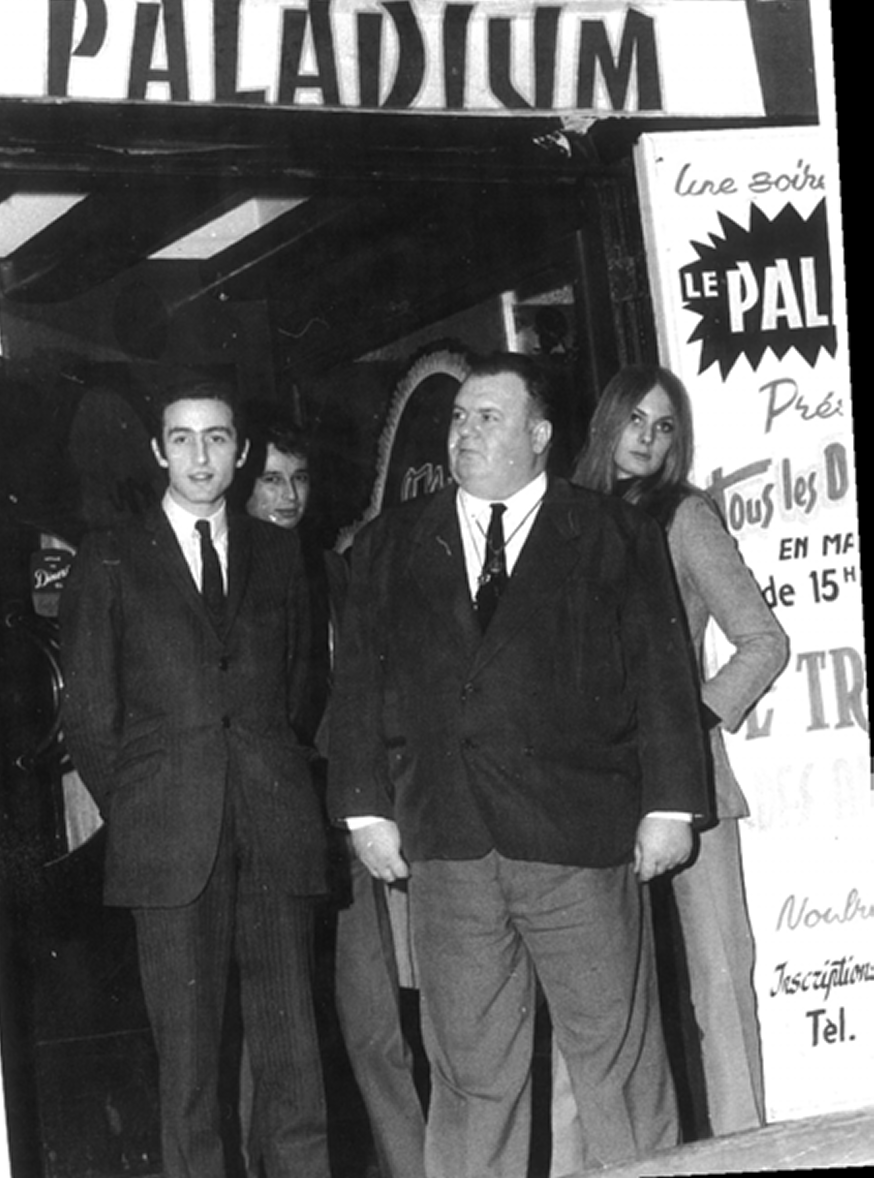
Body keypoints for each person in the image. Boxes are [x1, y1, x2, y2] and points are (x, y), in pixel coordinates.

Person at [327, 351, 711, 1178]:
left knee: (619, 1067)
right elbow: (355, 686)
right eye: (458, 418)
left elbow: (661, 675)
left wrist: (671, 806)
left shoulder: (614, 533)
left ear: (539, 434)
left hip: (580, 841)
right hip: (448, 845)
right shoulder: (390, 544)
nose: (463, 433)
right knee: (470, 1078)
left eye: (487, 418)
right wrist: (364, 809)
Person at [58, 378, 331, 1178]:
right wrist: (147, 808)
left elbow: (299, 691)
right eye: (182, 438)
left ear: (241, 451)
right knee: (189, 1077)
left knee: (295, 1066)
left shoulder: (280, 553)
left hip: (274, 831)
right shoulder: (111, 556)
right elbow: (90, 717)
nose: (200, 455)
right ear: (158, 450)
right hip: (169, 844)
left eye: (216, 437)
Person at [571, 365, 788, 1138]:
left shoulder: (686, 517)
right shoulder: (563, 518)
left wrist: (689, 719)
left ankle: (743, 1144)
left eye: (664, 426)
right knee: (592, 988)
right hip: (592, 782)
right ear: (607, 421)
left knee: (721, 976)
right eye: (635, 419)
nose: (648, 438)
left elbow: (764, 639)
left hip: (690, 781)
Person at [238, 419, 427, 1178]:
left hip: (343, 825)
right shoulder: (223, 579)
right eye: (271, 479)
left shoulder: (333, 574)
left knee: (377, 1027)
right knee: (267, 1040)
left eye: (299, 479)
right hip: (264, 836)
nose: (288, 496)